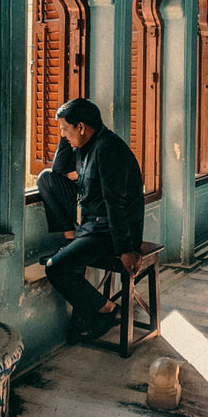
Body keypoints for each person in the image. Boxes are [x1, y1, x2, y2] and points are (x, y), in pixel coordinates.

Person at [38, 97, 145, 342]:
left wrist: (126, 249)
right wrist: (67, 136)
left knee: (56, 268)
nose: (63, 135)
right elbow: (57, 171)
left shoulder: (109, 149)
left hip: (110, 230)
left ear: (82, 127)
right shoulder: (86, 144)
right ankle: (70, 239)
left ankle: (106, 309)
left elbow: (115, 203)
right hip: (92, 222)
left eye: (65, 129)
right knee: (46, 179)